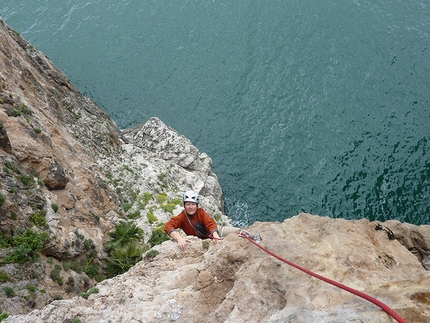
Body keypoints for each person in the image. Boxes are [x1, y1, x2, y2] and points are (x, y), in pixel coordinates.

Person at [164, 190, 261, 250]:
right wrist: (179, 238)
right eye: (188, 204)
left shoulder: (201, 212)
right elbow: (168, 226)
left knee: (239, 232)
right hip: (203, 239)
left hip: (215, 230)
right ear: (184, 205)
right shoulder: (182, 217)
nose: (190, 207)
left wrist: (215, 234)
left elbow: (209, 222)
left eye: (193, 204)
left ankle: (256, 239)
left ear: (197, 205)